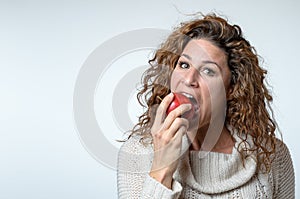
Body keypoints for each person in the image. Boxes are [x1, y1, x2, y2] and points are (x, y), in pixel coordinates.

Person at [117, 13, 295, 198]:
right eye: (184, 65)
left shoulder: (273, 156)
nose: (188, 79)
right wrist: (161, 169)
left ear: (231, 89)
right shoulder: (138, 152)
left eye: (208, 70)